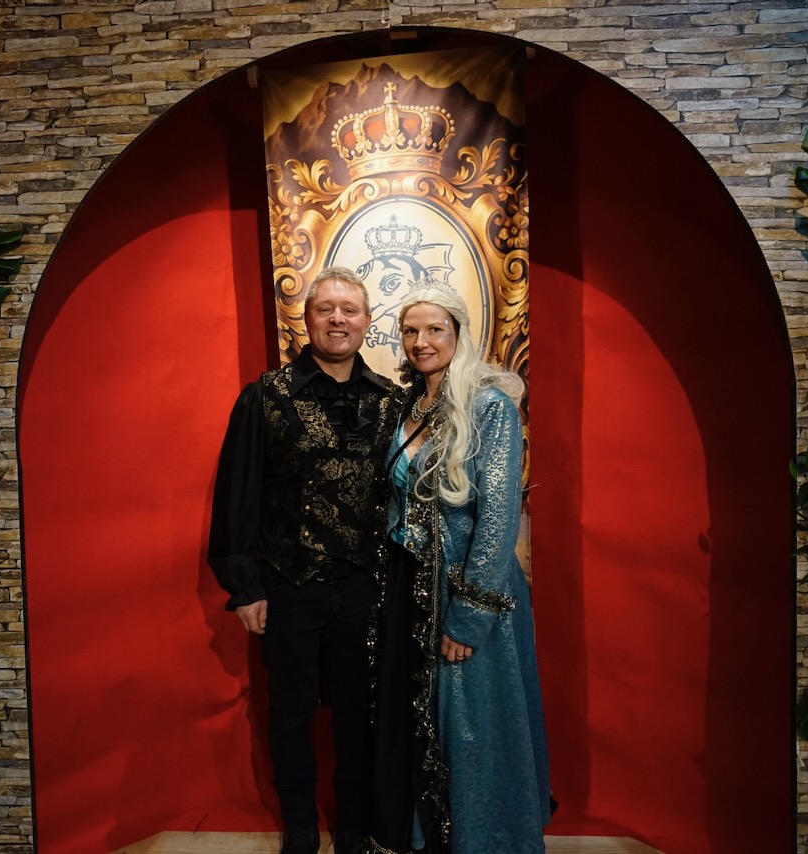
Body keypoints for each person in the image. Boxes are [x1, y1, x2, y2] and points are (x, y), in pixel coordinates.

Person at [209, 267, 400, 854]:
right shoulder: (265, 396)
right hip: (287, 585)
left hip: (367, 589)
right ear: (307, 318)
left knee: (360, 713)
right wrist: (244, 587)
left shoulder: (392, 401)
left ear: (367, 322)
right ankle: (298, 825)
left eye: (349, 309)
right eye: (326, 309)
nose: (338, 319)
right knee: (291, 711)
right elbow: (237, 495)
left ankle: (355, 824)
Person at [369, 287, 551, 854]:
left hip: (465, 587)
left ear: (458, 334)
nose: (421, 342)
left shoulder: (490, 406)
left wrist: (470, 615)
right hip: (411, 586)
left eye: (435, 330)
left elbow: (498, 516)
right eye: (410, 331)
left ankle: (484, 840)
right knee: (419, 719)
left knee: (470, 724)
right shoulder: (409, 404)